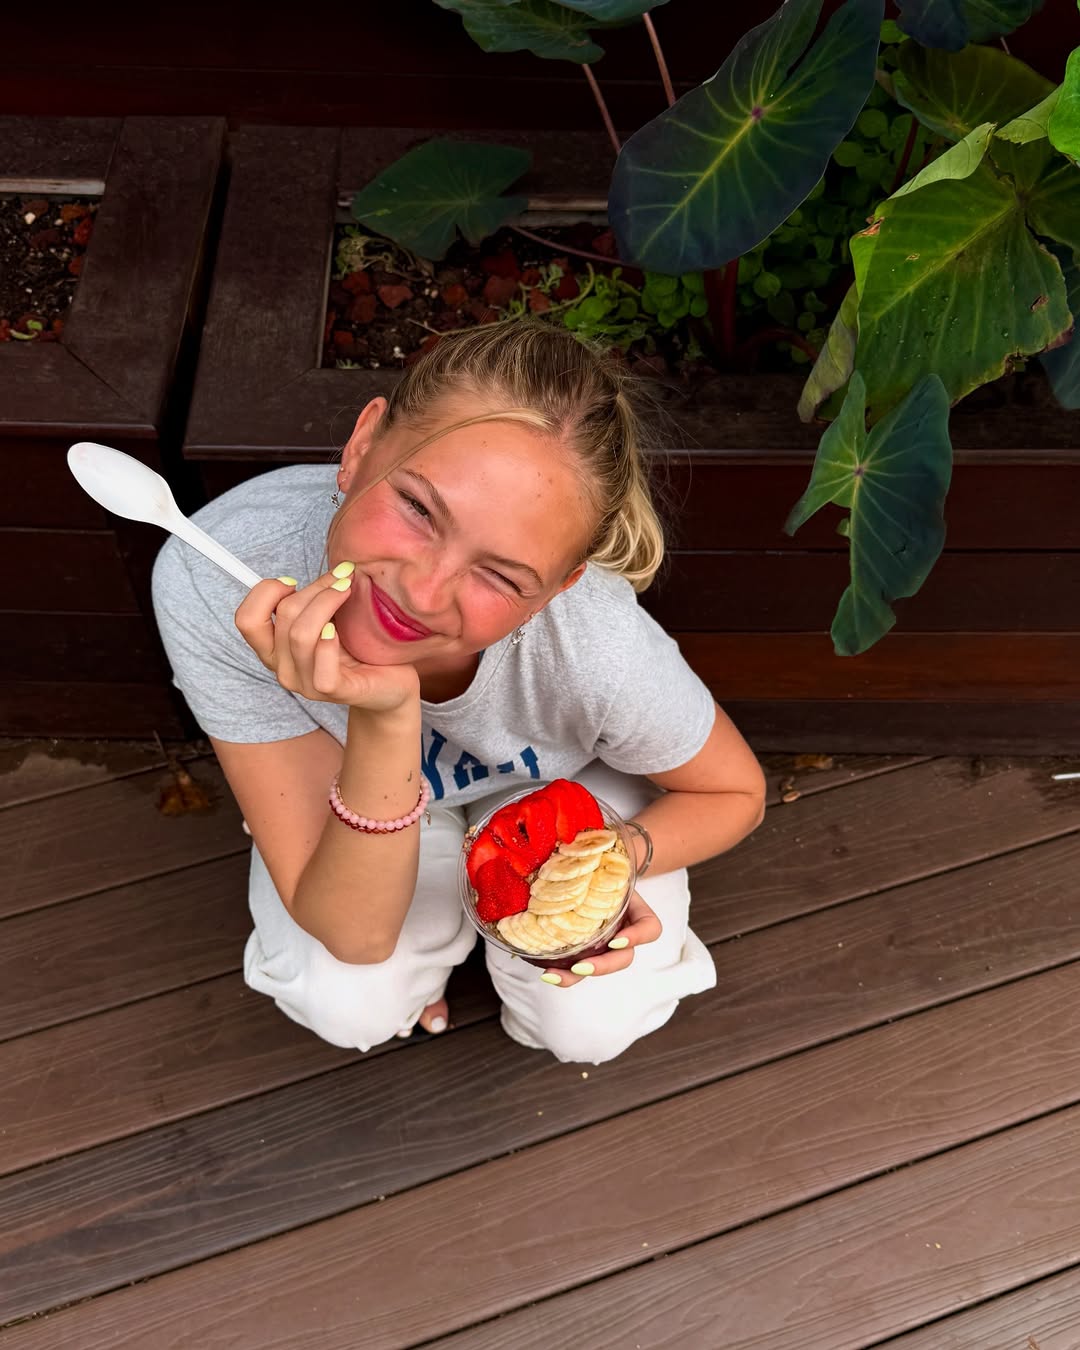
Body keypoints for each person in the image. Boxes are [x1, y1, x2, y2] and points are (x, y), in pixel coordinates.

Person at [152, 320, 766, 1065]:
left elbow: (735, 792)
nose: (423, 592)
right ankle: (429, 956)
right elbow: (354, 933)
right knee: (347, 999)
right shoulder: (216, 574)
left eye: (501, 575)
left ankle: (498, 978)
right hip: (359, 785)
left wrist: (619, 857)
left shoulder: (597, 644)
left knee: (591, 1025)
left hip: (563, 791)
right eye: (418, 509)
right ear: (361, 444)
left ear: (559, 589)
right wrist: (384, 716)